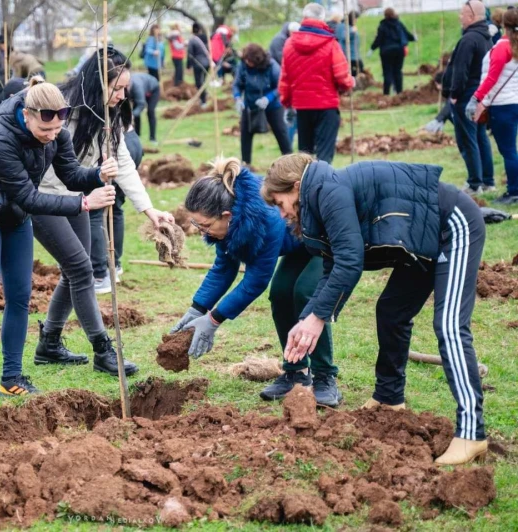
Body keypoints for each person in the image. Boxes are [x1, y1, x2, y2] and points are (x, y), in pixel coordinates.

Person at [262, 153, 488, 466]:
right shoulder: (319, 202)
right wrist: (307, 320)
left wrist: (317, 319)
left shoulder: (328, 191)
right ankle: (388, 398)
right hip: (422, 237)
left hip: (452, 224)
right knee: (391, 311)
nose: (281, 212)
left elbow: (350, 261)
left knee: (449, 326)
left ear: (296, 186)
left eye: (279, 201)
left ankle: (472, 433)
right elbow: (332, 266)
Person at [0, 77, 117, 408]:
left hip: (15, 216)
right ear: (27, 115)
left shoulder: (58, 133)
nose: (51, 136)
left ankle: (11, 379)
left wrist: (97, 174)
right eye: (45, 131)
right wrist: (83, 203)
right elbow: (29, 197)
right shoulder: (1, 140)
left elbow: (71, 176)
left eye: (57, 130)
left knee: (20, 296)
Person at [33, 48, 173, 377]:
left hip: (81, 197)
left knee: (73, 273)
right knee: (82, 270)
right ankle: (103, 350)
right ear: (98, 84)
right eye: (117, 88)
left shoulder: (110, 118)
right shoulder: (66, 112)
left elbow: (122, 163)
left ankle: (49, 344)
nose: (123, 95)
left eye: (126, 89)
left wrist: (149, 210)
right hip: (44, 198)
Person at [171, 158, 340, 405]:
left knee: (305, 292)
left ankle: (326, 377)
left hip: (324, 237)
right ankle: (296, 373)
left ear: (227, 216)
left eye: (205, 225)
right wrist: (196, 308)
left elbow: (256, 281)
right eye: (197, 224)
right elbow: (223, 269)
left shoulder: (264, 218)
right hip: (297, 242)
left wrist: (213, 319)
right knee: (281, 293)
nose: (201, 231)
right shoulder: (229, 223)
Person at [279, 3, 354, 164]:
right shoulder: (331, 43)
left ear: (304, 18)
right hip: (326, 105)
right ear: (322, 19)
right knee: (324, 156)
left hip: (302, 107)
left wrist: (287, 102)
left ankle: (304, 186)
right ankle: (322, 186)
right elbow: (342, 76)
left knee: (304, 156)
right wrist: (349, 83)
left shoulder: (289, 44)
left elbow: (285, 79)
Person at [443, 0, 494, 195]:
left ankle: (474, 183)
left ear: (471, 17)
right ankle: (488, 181)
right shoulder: (485, 37)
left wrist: (455, 94)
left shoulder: (468, 40)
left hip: (466, 96)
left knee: (467, 139)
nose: (459, 17)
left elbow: (460, 70)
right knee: (481, 137)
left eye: (462, 14)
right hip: (480, 95)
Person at [470, 9, 518, 204]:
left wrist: (477, 98)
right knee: (511, 150)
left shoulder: (502, 48)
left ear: (503, 25)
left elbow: (492, 78)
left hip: (502, 106)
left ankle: (514, 191)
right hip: (515, 102)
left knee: (508, 150)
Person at [233, 44, 292, 168]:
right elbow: (237, 84)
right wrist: (238, 98)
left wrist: (268, 98)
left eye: (250, 61)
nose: (248, 63)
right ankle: (246, 163)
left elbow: (280, 85)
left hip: (272, 105)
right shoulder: (243, 66)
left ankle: (290, 161)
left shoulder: (272, 66)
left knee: (281, 132)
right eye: (246, 60)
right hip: (250, 105)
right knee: (245, 133)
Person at [371, 8, 416, 95]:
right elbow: (406, 33)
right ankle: (399, 91)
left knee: (387, 71)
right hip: (399, 50)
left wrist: (372, 48)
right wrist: (413, 38)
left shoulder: (382, 26)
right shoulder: (398, 23)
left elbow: (379, 39)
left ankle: (386, 92)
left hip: (386, 52)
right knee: (398, 71)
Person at [129, 72, 160, 144]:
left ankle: (153, 138)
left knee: (150, 111)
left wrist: (132, 115)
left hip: (153, 89)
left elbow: (141, 104)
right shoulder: (125, 85)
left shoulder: (137, 86)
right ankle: (137, 136)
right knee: (136, 112)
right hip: (142, 89)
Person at [188, 22, 212, 108]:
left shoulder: (193, 40)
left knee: (199, 83)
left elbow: (190, 54)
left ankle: (203, 101)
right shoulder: (206, 38)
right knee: (203, 81)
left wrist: (188, 66)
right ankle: (204, 95)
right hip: (207, 63)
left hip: (198, 64)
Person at [336, 12, 363, 77]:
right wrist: (352, 31)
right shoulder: (345, 27)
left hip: (352, 53)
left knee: (356, 68)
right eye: (356, 19)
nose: (356, 21)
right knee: (358, 68)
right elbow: (344, 37)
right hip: (350, 54)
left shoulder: (346, 26)